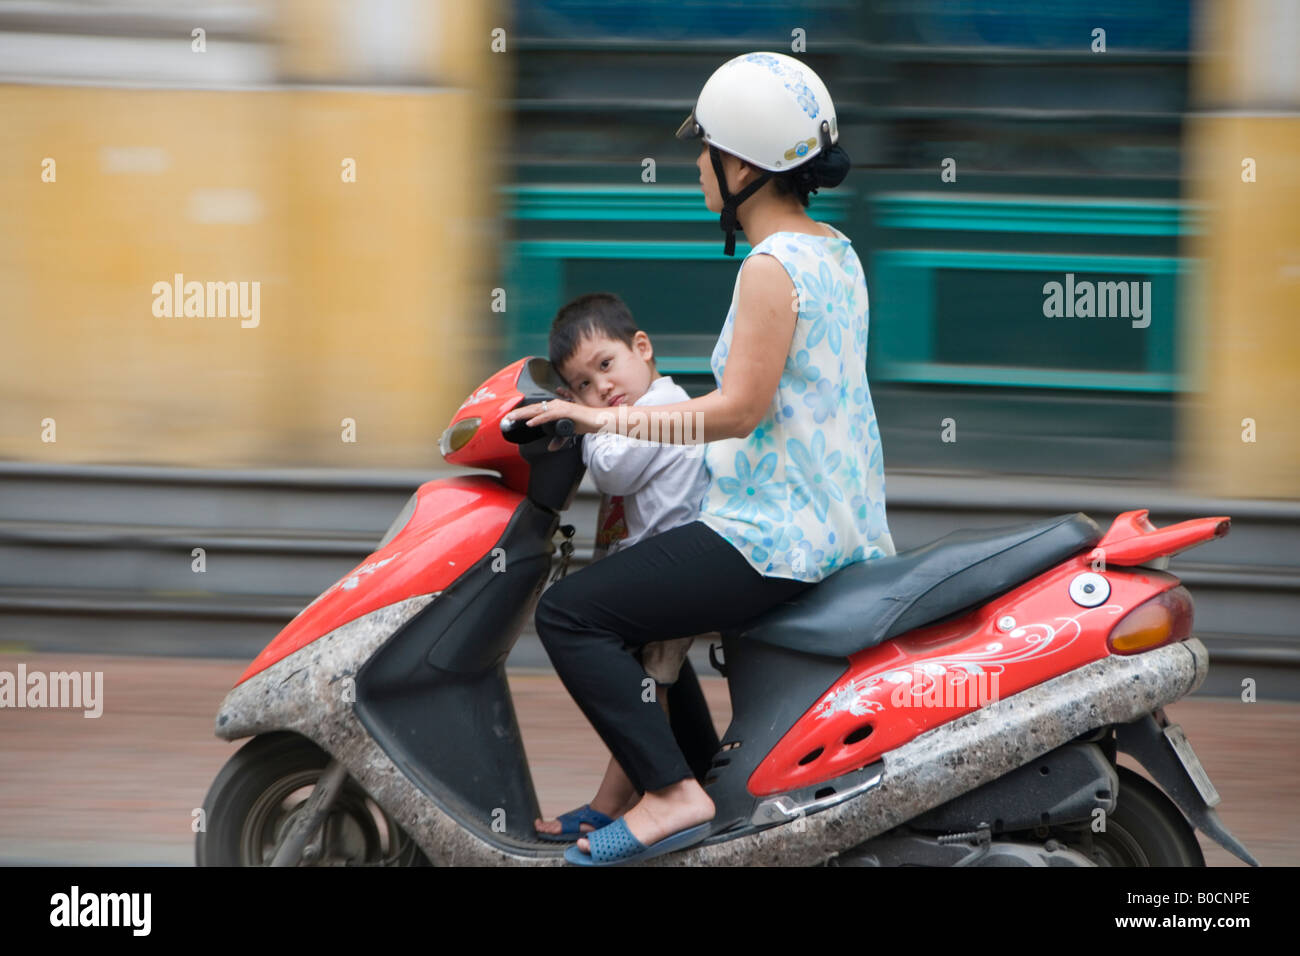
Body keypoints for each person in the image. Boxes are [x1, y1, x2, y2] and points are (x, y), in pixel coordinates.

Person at [506, 51, 895, 866]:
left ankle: (671, 794)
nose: (696, 164)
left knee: (571, 614)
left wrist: (594, 417)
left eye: (707, 148)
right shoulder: (837, 252)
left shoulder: (771, 267)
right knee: (647, 613)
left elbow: (737, 412)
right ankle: (697, 790)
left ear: (744, 163)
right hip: (838, 524)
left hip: (774, 533)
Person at [532, 291, 709, 841]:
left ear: (643, 348)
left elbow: (612, 473)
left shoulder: (659, 406)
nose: (600, 389)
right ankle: (690, 778)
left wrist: (579, 420)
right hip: (658, 567)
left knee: (646, 688)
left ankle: (619, 804)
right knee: (659, 685)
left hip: (673, 571)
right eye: (583, 384)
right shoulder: (630, 412)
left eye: (606, 366)